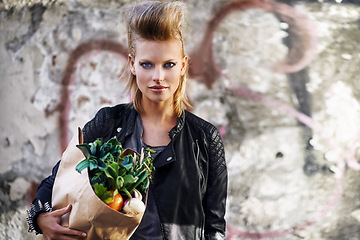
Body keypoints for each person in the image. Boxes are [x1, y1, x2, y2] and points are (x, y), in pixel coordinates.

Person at [26, 1, 227, 239]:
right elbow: (56, 181)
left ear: (183, 65)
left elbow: (215, 227)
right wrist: (39, 218)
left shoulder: (204, 138)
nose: (158, 77)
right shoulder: (108, 124)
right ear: (132, 64)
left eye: (169, 65)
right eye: (147, 64)